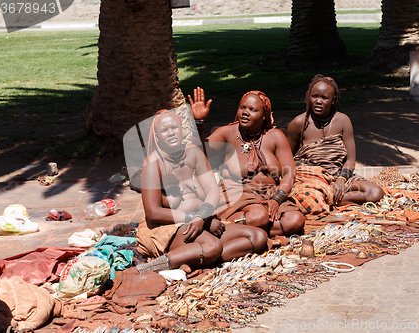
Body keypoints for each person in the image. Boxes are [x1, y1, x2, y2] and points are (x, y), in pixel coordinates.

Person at [136, 110, 268, 273]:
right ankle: (149, 268)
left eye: (174, 127)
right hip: (169, 227)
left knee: (258, 237)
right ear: (157, 136)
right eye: (164, 130)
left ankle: (195, 257)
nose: (171, 133)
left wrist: (203, 217)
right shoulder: (153, 163)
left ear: (182, 129)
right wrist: (196, 218)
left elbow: (212, 191)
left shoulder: (194, 153)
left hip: (202, 220)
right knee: (212, 246)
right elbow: (153, 213)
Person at [189, 87, 305, 237]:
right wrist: (199, 123)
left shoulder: (275, 136)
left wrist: (277, 199)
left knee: (295, 220)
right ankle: (242, 229)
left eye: (252, 109)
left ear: (264, 116)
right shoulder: (228, 133)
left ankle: (247, 232)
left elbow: (290, 173)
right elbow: (198, 152)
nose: (245, 112)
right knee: (259, 217)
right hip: (237, 195)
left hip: (269, 195)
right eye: (242, 107)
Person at [286, 74, 384, 219]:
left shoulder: (343, 121)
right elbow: (286, 158)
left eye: (324, 98)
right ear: (309, 98)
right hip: (311, 179)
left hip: (338, 176)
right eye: (314, 96)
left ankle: (326, 200)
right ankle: (331, 199)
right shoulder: (299, 123)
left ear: (333, 101)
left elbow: (350, 160)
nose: (318, 101)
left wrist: (341, 180)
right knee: (308, 198)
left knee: (375, 192)